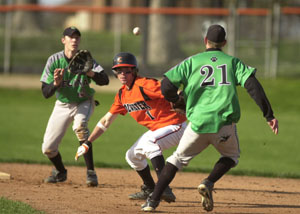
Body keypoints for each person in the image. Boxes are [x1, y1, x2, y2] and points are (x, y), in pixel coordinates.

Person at [141, 24, 279, 212]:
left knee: (177, 159)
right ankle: (208, 181)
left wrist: (175, 99)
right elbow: (253, 87)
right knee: (231, 156)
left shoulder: (191, 62)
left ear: (205, 40)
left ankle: (152, 201)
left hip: (197, 124)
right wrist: (268, 114)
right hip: (223, 125)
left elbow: (166, 85)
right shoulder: (233, 62)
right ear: (224, 43)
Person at [75, 52, 187, 202]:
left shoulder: (145, 85)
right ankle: (149, 187)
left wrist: (182, 99)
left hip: (175, 125)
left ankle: (164, 188)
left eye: (127, 70)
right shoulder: (122, 95)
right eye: (119, 71)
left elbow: (170, 91)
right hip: (158, 130)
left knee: (150, 143)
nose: (122, 74)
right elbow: (106, 121)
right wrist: (88, 142)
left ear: (134, 71)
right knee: (132, 156)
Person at [40, 26, 109, 187]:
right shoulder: (54, 60)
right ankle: (60, 171)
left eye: (77, 37)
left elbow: (105, 80)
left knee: (80, 126)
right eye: (71, 37)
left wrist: (90, 73)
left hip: (84, 101)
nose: (74, 40)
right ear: (63, 40)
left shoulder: (85, 58)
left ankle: (91, 172)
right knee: (48, 148)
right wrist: (56, 83)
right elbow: (45, 92)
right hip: (62, 104)